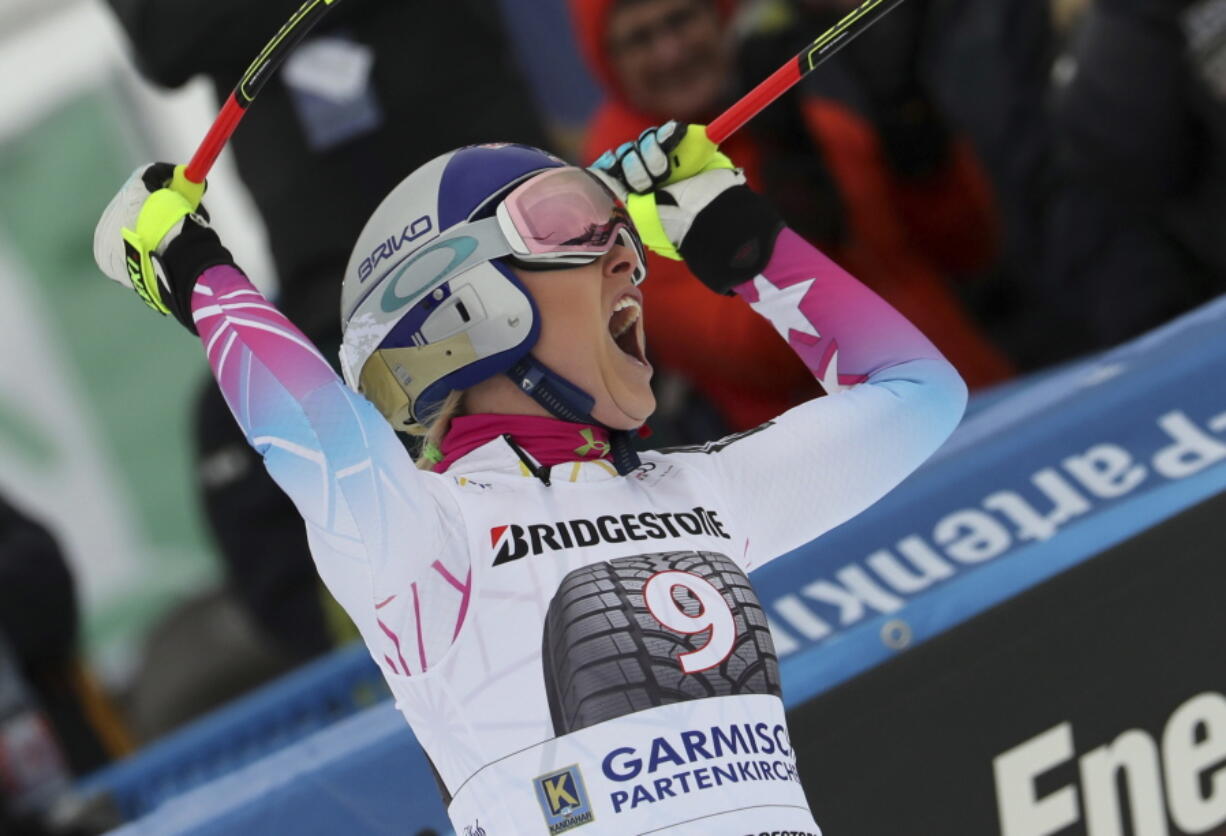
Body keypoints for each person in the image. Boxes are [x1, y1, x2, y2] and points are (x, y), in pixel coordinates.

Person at [92, 124, 966, 832]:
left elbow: (920, 398)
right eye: (565, 225)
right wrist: (194, 268)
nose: (627, 257)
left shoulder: (698, 490)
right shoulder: (419, 534)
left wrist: (732, 235)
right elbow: (315, 428)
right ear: (456, 309)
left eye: (619, 230)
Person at [103, 0, 551, 661]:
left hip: (498, 209)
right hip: (335, 275)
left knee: (572, 452)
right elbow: (165, 37)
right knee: (416, 545)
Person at [569, 0, 1011, 435]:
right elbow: (763, 358)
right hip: (876, 464)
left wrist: (915, 132)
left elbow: (969, 250)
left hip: (990, 407)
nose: (671, 51)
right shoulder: (619, 213)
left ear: (718, 16)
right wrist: (795, 203)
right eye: (639, 39)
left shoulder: (811, 121)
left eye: (681, 19)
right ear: (607, 64)